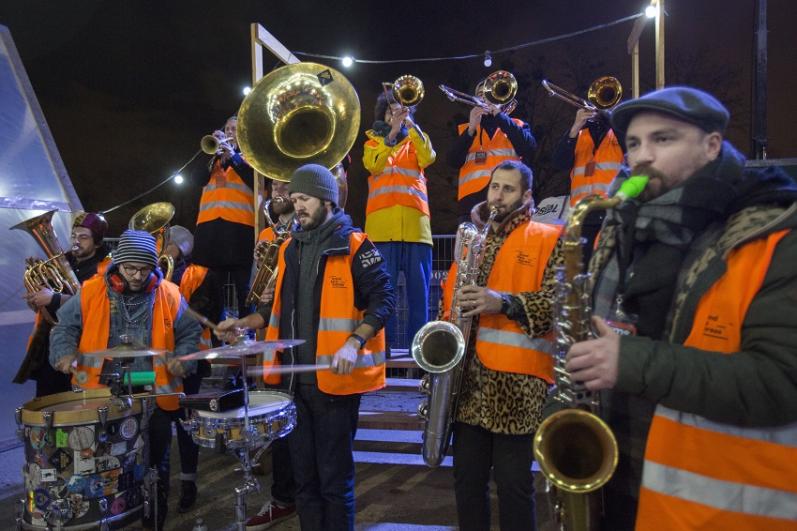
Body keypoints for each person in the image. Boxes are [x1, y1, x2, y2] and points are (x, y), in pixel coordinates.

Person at [564, 87, 797, 530]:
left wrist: (631, 363)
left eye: (663, 139)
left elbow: (782, 380)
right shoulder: (620, 225)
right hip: (616, 477)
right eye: (633, 144)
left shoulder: (771, 233)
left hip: (714, 509)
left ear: (711, 145)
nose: (642, 156)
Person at [217, 164, 395, 531]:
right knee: (305, 484)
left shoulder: (355, 244)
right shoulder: (289, 250)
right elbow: (275, 308)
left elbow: (384, 299)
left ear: (327, 199)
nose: (297, 206)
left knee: (334, 482)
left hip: (335, 386)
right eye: (295, 198)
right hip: (293, 386)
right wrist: (243, 323)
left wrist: (353, 341)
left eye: (305, 198)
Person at [440, 160, 563, 531]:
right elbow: (449, 305)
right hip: (467, 383)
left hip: (519, 386)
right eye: (494, 187)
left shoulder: (548, 236)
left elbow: (558, 306)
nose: (498, 195)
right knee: (467, 483)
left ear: (527, 196)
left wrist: (504, 303)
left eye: (508, 189)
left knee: (514, 487)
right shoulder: (470, 240)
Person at [50, 229, 202, 530]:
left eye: (144, 269)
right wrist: (64, 355)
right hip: (98, 390)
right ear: (117, 266)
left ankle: (152, 519)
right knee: (101, 467)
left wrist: (183, 359)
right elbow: (63, 328)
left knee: (155, 466)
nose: (135, 275)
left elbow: (190, 333)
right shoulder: (91, 291)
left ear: (154, 268)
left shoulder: (169, 293)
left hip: (154, 391)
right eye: (129, 268)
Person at [363, 91, 434, 352]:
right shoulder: (371, 143)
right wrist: (391, 135)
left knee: (420, 298)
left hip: (417, 232)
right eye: (390, 112)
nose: (396, 116)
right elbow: (373, 165)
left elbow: (429, 157)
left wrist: (411, 126)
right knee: (384, 296)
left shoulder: (416, 142)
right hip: (382, 233)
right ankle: (386, 352)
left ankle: (421, 355)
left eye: (402, 112)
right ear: (382, 115)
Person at [15, 211, 111, 396]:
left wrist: (54, 298)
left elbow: (98, 302)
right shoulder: (63, 259)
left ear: (97, 241)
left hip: (82, 345)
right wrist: (37, 298)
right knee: (48, 402)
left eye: (83, 237)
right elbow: (46, 303)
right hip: (50, 344)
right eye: (74, 236)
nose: (76, 241)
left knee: (76, 404)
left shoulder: (106, 266)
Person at [164, 225, 222, 513]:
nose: (159, 247)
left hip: (191, 361)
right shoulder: (151, 272)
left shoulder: (202, 274)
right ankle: (157, 481)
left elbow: (202, 313)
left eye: (164, 242)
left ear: (178, 248)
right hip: (156, 360)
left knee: (186, 421)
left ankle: (188, 480)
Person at [193, 115, 256, 319]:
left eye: (235, 130)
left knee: (243, 289)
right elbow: (197, 180)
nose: (230, 133)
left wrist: (235, 157)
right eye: (228, 129)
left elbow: (256, 183)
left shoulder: (250, 157)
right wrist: (209, 155)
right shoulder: (214, 160)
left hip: (240, 229)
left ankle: (247, 338)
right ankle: (217, 340)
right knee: (213, 290)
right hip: (211, 230)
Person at [447, 82, 536, 223]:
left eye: (490, 93)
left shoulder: (516, 124)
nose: (486, 98)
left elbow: (529, 149)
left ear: (500, 98)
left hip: (510, 203)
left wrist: (500, 115)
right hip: (472, 205)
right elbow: (452, 161)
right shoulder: (465, 129)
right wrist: (471, 128)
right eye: (481, 94)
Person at [551, 106, 624, 247]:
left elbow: (634, 153)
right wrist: (574, 128)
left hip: (613, 214)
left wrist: (611, 118)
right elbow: (558, 163)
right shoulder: (579, 134)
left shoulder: (619, 133)